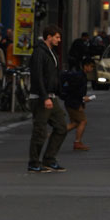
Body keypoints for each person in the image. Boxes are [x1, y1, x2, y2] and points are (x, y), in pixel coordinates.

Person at [28, 24, 68, 173]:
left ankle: (49, 159)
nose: (59, 40)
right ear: (49, 37)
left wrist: (62, 94)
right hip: (40, 98)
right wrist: (45, 97)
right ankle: (34, 162)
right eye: (57, 37)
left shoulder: (51, 53)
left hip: (51, 96)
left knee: (61, 127)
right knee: (40, 131)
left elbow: (54, 77)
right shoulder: (39, 52)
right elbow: (38, 76)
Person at [62, 55, 95, 151]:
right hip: (73, 103)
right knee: (83, 121)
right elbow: (76, 91)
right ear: (85, 66)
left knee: (75, 123)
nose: (92, 69)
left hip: (72, 102)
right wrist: (82, 100)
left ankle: (57, 133)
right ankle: (77, 142)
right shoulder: (79, 76)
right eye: (91, 66)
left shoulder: (81, 75)